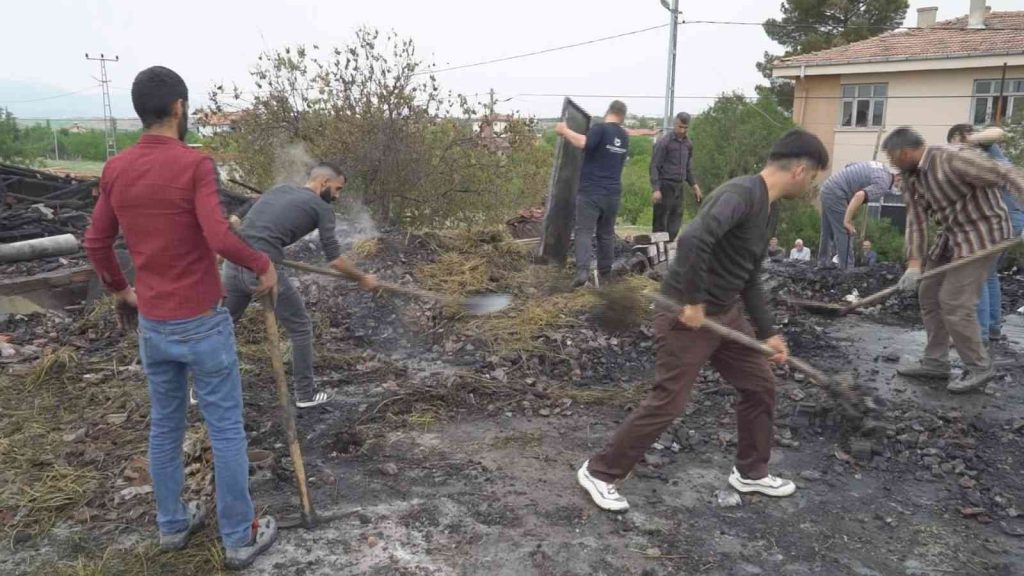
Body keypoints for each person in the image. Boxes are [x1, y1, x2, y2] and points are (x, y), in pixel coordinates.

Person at [83, 66, 278, 569]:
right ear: (178, 108)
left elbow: (96, 241)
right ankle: (239, 536)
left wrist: (122, 290)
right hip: (202, 323)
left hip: (154, 325)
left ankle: (172, 525)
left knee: (165, 428)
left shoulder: (116, 169)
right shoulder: (195, 165)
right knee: (226, 430)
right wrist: (261, 264)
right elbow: (218, 238)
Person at [576, 129, 829, 512]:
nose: (810, 184)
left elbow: (750, 276)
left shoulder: (769, 209)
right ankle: (600, 471)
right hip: (686, 315)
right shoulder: (741, 194)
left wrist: (769, 332)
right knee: (669, 402)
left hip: (725, 314)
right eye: (813, 177)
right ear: (798, 170)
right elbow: (694, 240)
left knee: (760, 385)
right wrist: (693, 301)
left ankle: (751, 472)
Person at [222, 163, 378, 408]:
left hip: (232, 265)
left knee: (221, 325)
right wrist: (362, 278)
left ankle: (200, 389)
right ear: (324, 182)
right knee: (301, 327)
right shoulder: (322, 208)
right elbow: (335, 261)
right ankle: (305, 394)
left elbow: (239, 214)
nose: (337, 196)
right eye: (337, 189)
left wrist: (239, 222)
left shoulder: (280, 189)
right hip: (264, 270)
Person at [886, 127, 1024, 393]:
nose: (892, 165)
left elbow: (1005, 174)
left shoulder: (953, 158)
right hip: (952, 236)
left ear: (904, 152)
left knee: (955, 301)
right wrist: (914, 265)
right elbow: (916, 222)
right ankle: (936, 362)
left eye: (893, 159)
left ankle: (979, 366)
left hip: (984, 233)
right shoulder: (910, 177)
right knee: (929, 293)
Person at [947, 124, 1024, 343]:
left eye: (953, 144)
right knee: (987, 275)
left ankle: (977, 335)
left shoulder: (983, 145)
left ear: (960, 137)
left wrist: (971, 140)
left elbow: (999, 132)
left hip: (1003, 220)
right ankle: (991, 328)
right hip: (1008, 220)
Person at [556, 100, 630, 288]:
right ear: (622, 116)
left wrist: (564, 130)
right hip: (613, 194)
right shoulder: (624, 136)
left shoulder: (600, 129)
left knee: (584, 231)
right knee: (605, 234)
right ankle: (606, 274)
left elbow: (582, 142)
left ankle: (582, 272)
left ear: (609, 111)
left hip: (591, 192)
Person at [817, 160, 895, 270]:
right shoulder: (883, 184)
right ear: (899, 178)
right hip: (837, 193)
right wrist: (847, 221)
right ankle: (847, 269)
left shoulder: (881, 167)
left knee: (827, 230)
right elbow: (859, 196)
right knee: (845, 231)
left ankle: (823, 263)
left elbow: (850, 165)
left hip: (828, 186)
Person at [650, 112, 702, 241]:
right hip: (664, 185)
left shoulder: (688, 145)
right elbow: (654, 166)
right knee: (660, 221)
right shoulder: (664, 143)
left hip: (679, 186)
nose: (682, 130)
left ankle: (669, 243)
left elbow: (687, 168)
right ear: (674, 125)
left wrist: (694, 186)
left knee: (676, 219)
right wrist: (656, 189)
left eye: (685, 127)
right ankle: (658, 250)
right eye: (680, 127)